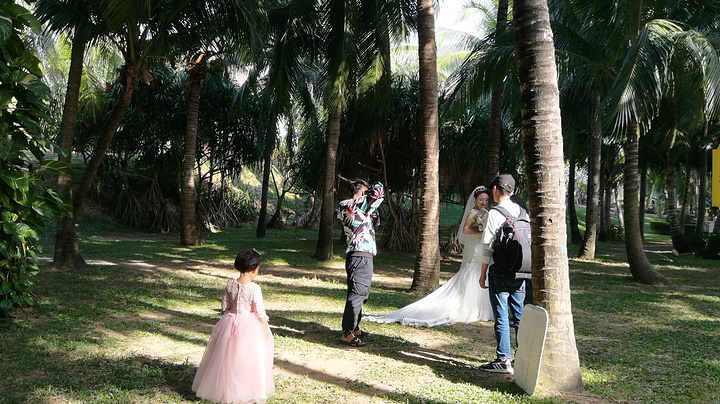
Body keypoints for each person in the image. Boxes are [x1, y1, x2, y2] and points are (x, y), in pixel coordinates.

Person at [365, 186, 493, 327]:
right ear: (475, 199)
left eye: (486, 200)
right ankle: (469, 305)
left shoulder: (486, 213)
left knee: (482, 269)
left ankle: (481, 306)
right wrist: (480, 232)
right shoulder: (472, 213)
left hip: (481, 245)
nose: (484, 202)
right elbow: (465, 230)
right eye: (481, 199)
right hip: (474, 246)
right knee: (472, 270)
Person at [192, 249, 275, 403]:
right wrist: (265, 329)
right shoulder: (254, 288)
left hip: (229, 322)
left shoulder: (230, 284)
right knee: (247, 357)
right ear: (254, 269)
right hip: (248, 326)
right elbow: (259, 311)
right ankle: (247, 388)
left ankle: (223, 387)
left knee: (225, 357)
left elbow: (225, 306)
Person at [479, 174, 530, 374]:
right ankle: (523, 357)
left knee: (501, 315)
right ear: (512, 190)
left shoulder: (495, 213)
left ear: (495, 189)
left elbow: (487, 247)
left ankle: (503, 359)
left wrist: (483, 273)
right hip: (521, 272)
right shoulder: (522, 211)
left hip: (500, 272)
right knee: (519, 316)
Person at [337, 179, 384, 347]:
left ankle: (354, 328)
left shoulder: (361, 208)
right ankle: (347, 333)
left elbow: (375, 222)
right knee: (357, 295)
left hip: (362, 255)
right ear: (363, 193)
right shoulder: (351, 205)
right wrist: (372, 190)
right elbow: (379, 191)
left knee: (361, 293)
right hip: (359, 256)